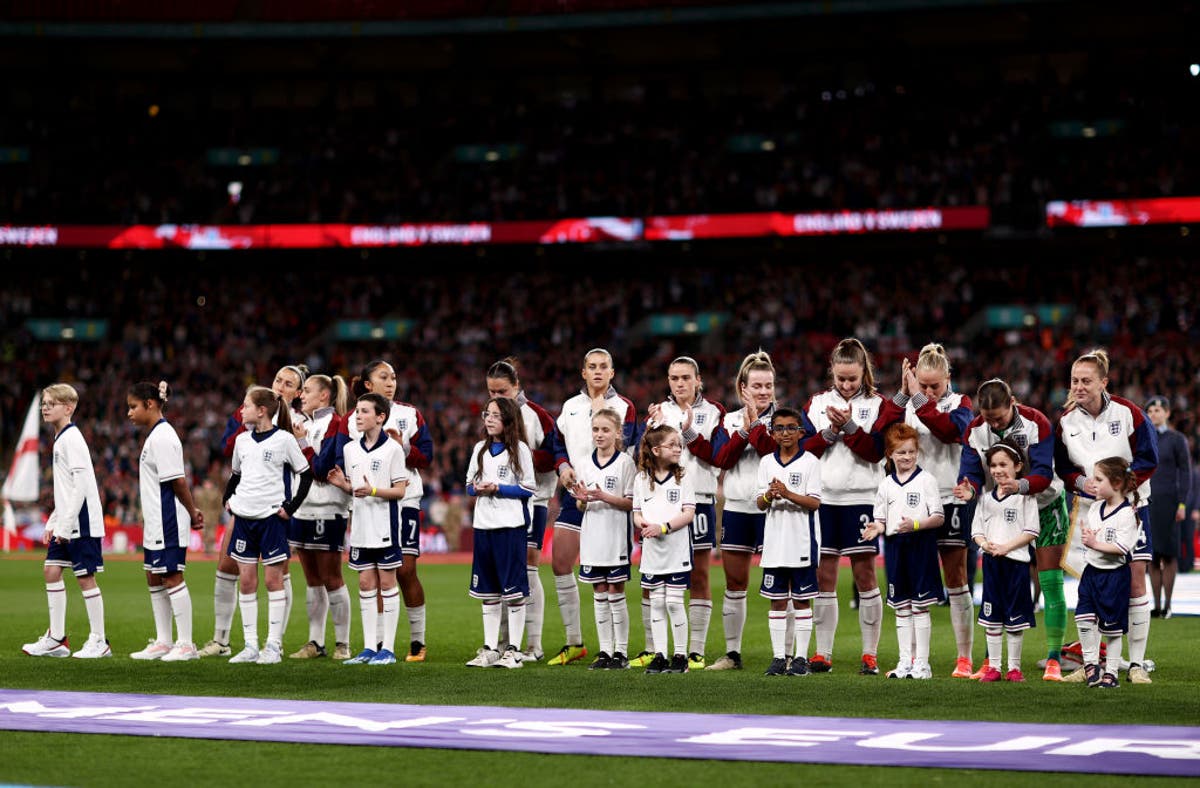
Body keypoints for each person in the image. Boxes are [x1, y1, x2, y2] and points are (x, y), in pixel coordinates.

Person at [1054, 350, 1159, 684]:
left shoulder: (1129, 413)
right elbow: (1064, 468)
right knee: (1092, 586)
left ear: (1103, 382)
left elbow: (1149, 458)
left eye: (1086, 380)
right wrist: (1083, 484)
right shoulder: (1066, 421)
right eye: (1074, 380)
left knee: (1135, 582)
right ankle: (1092, 665)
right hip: (1089, 511)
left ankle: (1138, 664)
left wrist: (1118, 488)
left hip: (1131, 508)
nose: (1079, 386)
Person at [955, 377, 1068, 681]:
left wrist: (1020, 485)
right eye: (987, 418)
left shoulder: (1037, 423)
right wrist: (969, 488)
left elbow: (1044, 471)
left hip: (1044, 504)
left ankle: (1054, 658)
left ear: (1013, 403)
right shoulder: (975, 431)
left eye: (999, 418)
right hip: (1001, 508)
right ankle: (993, 661)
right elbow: (970, 471)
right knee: (998, 583)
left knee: (1049, 581)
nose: (993, 424)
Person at [882, 344, 976, 678]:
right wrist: (901, 395)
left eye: (935, 385)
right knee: (908, 581)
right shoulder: (909, 404)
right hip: (910, 504)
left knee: (956, 578)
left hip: (949, 499)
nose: (929, 391)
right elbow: (884, 431)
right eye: (922, 385)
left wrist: (919, 400)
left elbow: (953, 431)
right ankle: (910, 658)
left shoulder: (960, 403)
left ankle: (963, 656)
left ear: (948, 378)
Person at [201, 364, 307, 658]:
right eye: (278, 380)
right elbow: (227, 449)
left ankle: (275, 641)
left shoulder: (298, 423)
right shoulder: (250, 414)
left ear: (298, 393)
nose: (280, 386)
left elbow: (309, 468)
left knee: (278, 576)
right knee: (227, 567)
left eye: (289, 384)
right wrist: (243, 421)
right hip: (245, 505)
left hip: (276, 507)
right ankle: (222, 639)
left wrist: (291, 506)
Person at [801, 338, 889, 675]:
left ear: (864, 372)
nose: (847, 384)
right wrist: (828, 431)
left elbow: (874, 451)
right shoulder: (817, 403)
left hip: (862, 498)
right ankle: (823, 653)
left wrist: (849, 427)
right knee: (824, 575)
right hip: (824, 499)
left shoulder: (877, 404)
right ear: (832, 374)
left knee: (865, 574)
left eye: (852, 378)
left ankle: (870, 654)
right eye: (841, 378)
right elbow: (806, 450)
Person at [550, 348, 640, 666]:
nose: (598, 372)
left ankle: (620, 649)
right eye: (592, 367)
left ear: (612, 373)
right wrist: (563, 468)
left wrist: (600, 416)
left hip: (612, 497)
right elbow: (557, 444)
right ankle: (575, 641)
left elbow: (632, 448)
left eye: (604, 367)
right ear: (583, 372)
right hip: (577, 491)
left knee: (613, 581)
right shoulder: (570, 407)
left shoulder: (624, 406)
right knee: (561, 563)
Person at [691, 350, 778, 671]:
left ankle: (786, 653)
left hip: (776, 510)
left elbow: (773, 454)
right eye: (757, 386)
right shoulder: (728, 420)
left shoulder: (785, 421)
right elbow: (722, 459)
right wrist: (745, 430)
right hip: (739, 509)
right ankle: (733, 654)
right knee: (735, 581)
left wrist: (755, 425)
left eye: (768, 385)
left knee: (784, 583)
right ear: (743, 387)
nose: (764, 391)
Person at [346, 359, 434, 663]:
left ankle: (416, 640)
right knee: (371, 575)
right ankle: (379, 642)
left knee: (404, 570)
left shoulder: (409, 414)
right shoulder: (354, 418)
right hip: (366, 505)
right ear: (368, 384)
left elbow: (428, 455)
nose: (391, 381)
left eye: (394, 376)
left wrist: (404, 447)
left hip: (404, 499)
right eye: (384, 377)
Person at [222, 385, 313, 665]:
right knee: (247, 581)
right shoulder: (242, 442)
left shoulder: (284, 440)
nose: (242, 410)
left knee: (274, 581)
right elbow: (236, 475)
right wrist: (227, 499)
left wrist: (290, 508)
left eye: (246, 405)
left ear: (261, 410)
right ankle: (250, 646)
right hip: (244, 518)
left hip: (271, 519)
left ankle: (272, 645)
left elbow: (306, 475)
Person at [647, 356, 725, 669]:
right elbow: (646, 454)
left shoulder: (714, 411)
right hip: (662, 502)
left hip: (701, 498)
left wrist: (691, 431)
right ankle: (657, 650)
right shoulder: (659, 412)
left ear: (697, 379)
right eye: (674, 378)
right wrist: (648, 427)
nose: (680, 383)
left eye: (685, 377)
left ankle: (695, 649)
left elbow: (717, 457)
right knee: (655, 578)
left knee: (700, 574)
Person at [21, 384, 109, 659]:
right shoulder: (60, 439)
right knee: (51, 571)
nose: (45, 407)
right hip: (68, 520)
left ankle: (99, 640)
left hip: (81, 521)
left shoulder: (72, 439)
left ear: (68, 407)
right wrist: (53, 523)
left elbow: (81, 486)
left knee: (85, 577)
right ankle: (57, 638)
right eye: (44, 403)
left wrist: (65, 524)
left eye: (52, 403)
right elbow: (65, 488)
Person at [485, 358, 559, 661]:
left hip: (533, 500)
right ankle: (502, 642)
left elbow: (554, 455)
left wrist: (524, 452)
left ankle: (534, 645)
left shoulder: (536, 415)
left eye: (502, 391)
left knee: (528, 568)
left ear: (517, 386)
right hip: (499, 503)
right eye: (491, 392)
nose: (496, 398)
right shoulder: (493, 415)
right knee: (503, 571)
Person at [126, 381, 205, 662]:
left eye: (133, 406)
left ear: (150, 404)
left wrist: (193, 511)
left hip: (168, 519)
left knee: (171, 575)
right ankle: (163, 640)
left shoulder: (163, 437)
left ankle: (186, 644)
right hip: (155, 520)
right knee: (153, 575)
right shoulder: (154, 436)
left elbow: (177, 481)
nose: (129, 413)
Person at [329, 393, 409, 665]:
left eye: (364, 411)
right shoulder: (351, 449)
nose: (357, 416)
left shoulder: (393, 450)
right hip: (361, 525)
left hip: (385, 525)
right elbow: (358, 488)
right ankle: (367, 648)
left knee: (387, 583)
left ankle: (387, 649)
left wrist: (373, 490)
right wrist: (344, 486)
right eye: (356, 412)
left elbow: (400, 491)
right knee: (365, 584)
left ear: (380, 417)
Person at [860, 423, 944, 680]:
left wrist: (916, 524)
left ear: (918, 452)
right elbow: (882, 519)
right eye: (901, 452)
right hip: (896, 548)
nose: (906, 457)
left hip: (920, 547)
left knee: (920, 607)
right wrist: (877, 528)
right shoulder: (886, 484)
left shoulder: (927, 480)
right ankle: (904, 661)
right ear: (890, 454)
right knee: (901, 607)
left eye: (911, 451)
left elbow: (939, 517)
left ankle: (922, 664)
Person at [464, 397, 536, 669]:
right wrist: (479, 489)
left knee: (514, 591)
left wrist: (499, 488)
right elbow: (469, 485)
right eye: (487, 414)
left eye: (495, 415)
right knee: (489, 592)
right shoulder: (479, 448)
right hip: (483, 525)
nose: (489, 418)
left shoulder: (520, 450)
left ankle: (514, 651)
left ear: (508, 419)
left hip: (510, 526)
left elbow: (529, 488)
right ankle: (491, 648)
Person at [288, 373, 354, 660]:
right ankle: (315, 642)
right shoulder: (305, 424)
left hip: (328, 508)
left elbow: (321, 469)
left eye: (307, 390)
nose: (301, 394)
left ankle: (343, 643)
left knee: (332, 577)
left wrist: (302, 442)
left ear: (324, 396)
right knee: (312, 579)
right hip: (302, 508)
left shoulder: (336, 423)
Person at [755, 407, 821, 676]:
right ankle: (779, 657)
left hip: (802, 541)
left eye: (791, 427)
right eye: (779, 428)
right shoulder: (766, 463)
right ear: (771, 433)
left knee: (802, 600)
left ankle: (801, 658)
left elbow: (814, 502)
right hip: (774, 543)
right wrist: (771, 495)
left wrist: (788, 493)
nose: (785, 433)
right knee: (777, 600)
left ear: (801, 432)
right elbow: (759, 503)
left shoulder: (811, 462)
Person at [971, 438, 1040, 683]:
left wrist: (1005, 547)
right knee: (992, 617)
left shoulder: (1026, 497)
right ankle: (994, 667)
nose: (998, 470)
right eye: (994, 465)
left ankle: (1014, 668)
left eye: (1004, 464)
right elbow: (976, 531)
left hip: (1016, 564)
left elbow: (1032, 531)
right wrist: (984, 544)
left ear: (1017, 466)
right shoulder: (985, 499)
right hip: (992, 564)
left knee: (1015, 618)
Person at [573, 408, 636, 670]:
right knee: (598, 592)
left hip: (616, 537)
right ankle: (605, 651)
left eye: (605, 430)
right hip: (592, 537)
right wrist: (582, 500)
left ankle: (621, 653)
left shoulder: (625, 463)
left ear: (618, 433)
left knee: (615, 592)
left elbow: (632, 503)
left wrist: (603, 496)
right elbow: (580, 506)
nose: (599, 435)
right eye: (596, 429)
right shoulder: (584, 463)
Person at [1074, 457, 1144, 689]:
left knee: (1112, 630)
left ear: (1115, 483)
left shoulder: (1128, 514)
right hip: (1091, 573)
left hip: (1114, 577)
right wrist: (1087, 539)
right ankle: (1090, 664)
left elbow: (1122, 549)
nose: (1092, 483)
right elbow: (1092, 537)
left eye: (1098, 479)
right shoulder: (1095, 507)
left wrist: (1094, 543)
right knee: (1083, 618)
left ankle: (1111, 673)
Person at [633, 424, 696, 674]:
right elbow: (636, 513)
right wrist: (644, 525)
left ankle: (680, 655)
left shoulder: (684, 477)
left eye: (679, 444)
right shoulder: (641, 479)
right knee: (656, 602)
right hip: (652, 551)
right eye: (672, 444)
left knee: (673, 602)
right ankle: (660, 655)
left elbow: (689, 513)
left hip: (676, 549)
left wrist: (664, 528)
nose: (678, 448)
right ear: (656, 450)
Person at [1144, 395, 1191, 618]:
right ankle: (1156, 605)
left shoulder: (1176, 439)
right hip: (1148, 501)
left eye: (1158, 410)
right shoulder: (1144, 439)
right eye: (1150, 410)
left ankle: (1169, 605)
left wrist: (1182, 503)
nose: (1154, 414)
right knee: (1152, 555)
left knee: (1169, 555)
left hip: (1171, 502)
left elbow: (1186, 473)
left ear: (1168, 413)